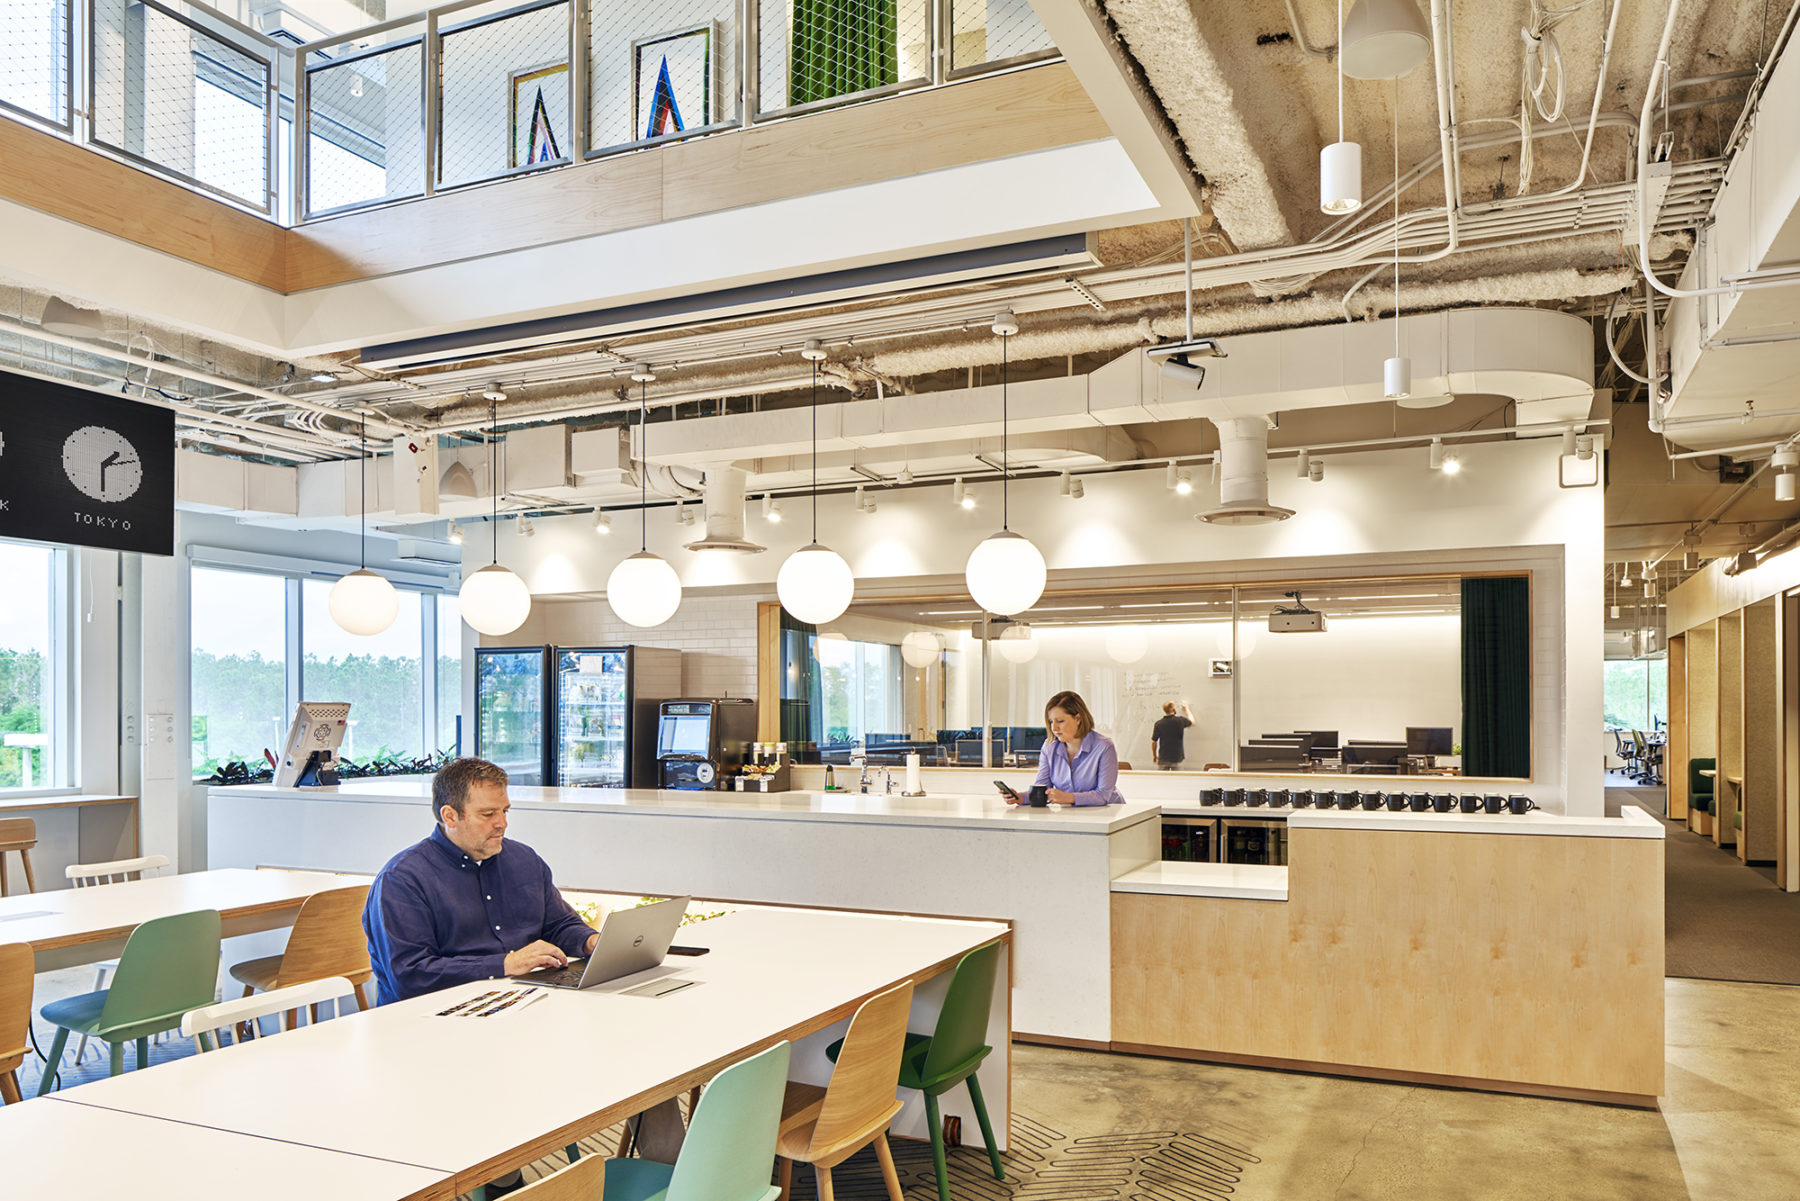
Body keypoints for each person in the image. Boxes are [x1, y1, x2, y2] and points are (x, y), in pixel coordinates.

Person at [363, 756, 600, 1005]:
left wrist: (590, 942)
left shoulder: (524, 859)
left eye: (504, 811)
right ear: (450, 816)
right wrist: (506, 964)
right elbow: (411, 975)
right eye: (487, 814)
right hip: (431, 1018)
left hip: (521, 1002)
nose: (502, 823)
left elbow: (557, 925)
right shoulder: (402, 880)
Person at [1008, 690, 1125, 806]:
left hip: (1109, 814)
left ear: (1078, 719)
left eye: (1060, 721)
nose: (1054, 728)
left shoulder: (1104, 747)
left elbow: (1103, 795)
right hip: (1073, 815)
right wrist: (1020, 798)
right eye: (1050, 721)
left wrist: (1068, 797)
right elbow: (1042, 789)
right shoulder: (1049, 747)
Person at [1151, 701, 1194, 770]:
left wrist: (1154, 756)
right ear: (1173, 709)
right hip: (1177, 757)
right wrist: (1187, 710)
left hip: (1163, 758)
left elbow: (1154, 742)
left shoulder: (1159, 724)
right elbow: (1192, 722)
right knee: (1177, 779)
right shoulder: (1180, 721)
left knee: (1161, 780)